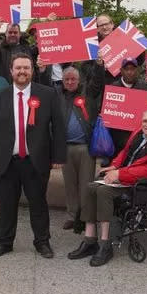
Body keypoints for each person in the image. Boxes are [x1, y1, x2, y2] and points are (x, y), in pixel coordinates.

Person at [68, 109, 147, 266]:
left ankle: (106, 244)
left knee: (103, 191)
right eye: (145, 121)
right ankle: (90, 240)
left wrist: (120, 174)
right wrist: (114, 166)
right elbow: (125, 153)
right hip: (127, 176)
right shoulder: (138, 133)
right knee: (90, 188)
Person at [0, 53, 66, 259]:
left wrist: (58, 156)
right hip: (7, 162)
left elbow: (58, 127)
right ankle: (4, 243)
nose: (22, 71)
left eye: (26, 68)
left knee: (38, 204)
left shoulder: (47, 94)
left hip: (35, 161)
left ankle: (42, 242)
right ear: (11, 71)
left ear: (32, 70)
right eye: (18, 68)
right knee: (6, 205)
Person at [87, 56, 147, 155]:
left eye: (133, 69)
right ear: (121, 71)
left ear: (138, 70)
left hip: (139, 140)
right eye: (127, 69)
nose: (130, 72)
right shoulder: (112, 88)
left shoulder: (146, 87)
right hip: (117, 142)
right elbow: (105, 110)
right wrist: (104, 115)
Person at [58, 66, 96, 231]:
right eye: (67, 79)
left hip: (85, 148)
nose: (70, 82)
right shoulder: (58, 96)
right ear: (63, 81)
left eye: (73, 79)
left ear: (79, 80)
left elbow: (98, 83)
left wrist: (99, 66)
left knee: (86, 185)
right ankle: (72, 215)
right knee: (70, 185)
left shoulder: (88, 93)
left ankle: (85, 217)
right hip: (66, 148)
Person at [0, 19, 37, 83]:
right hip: (4, 86)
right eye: (10, 32)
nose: (12, 34)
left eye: (15, 32)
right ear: (5, 33)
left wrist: (49, 23)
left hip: (24, 86)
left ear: (20, 34)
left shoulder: (28, 48)